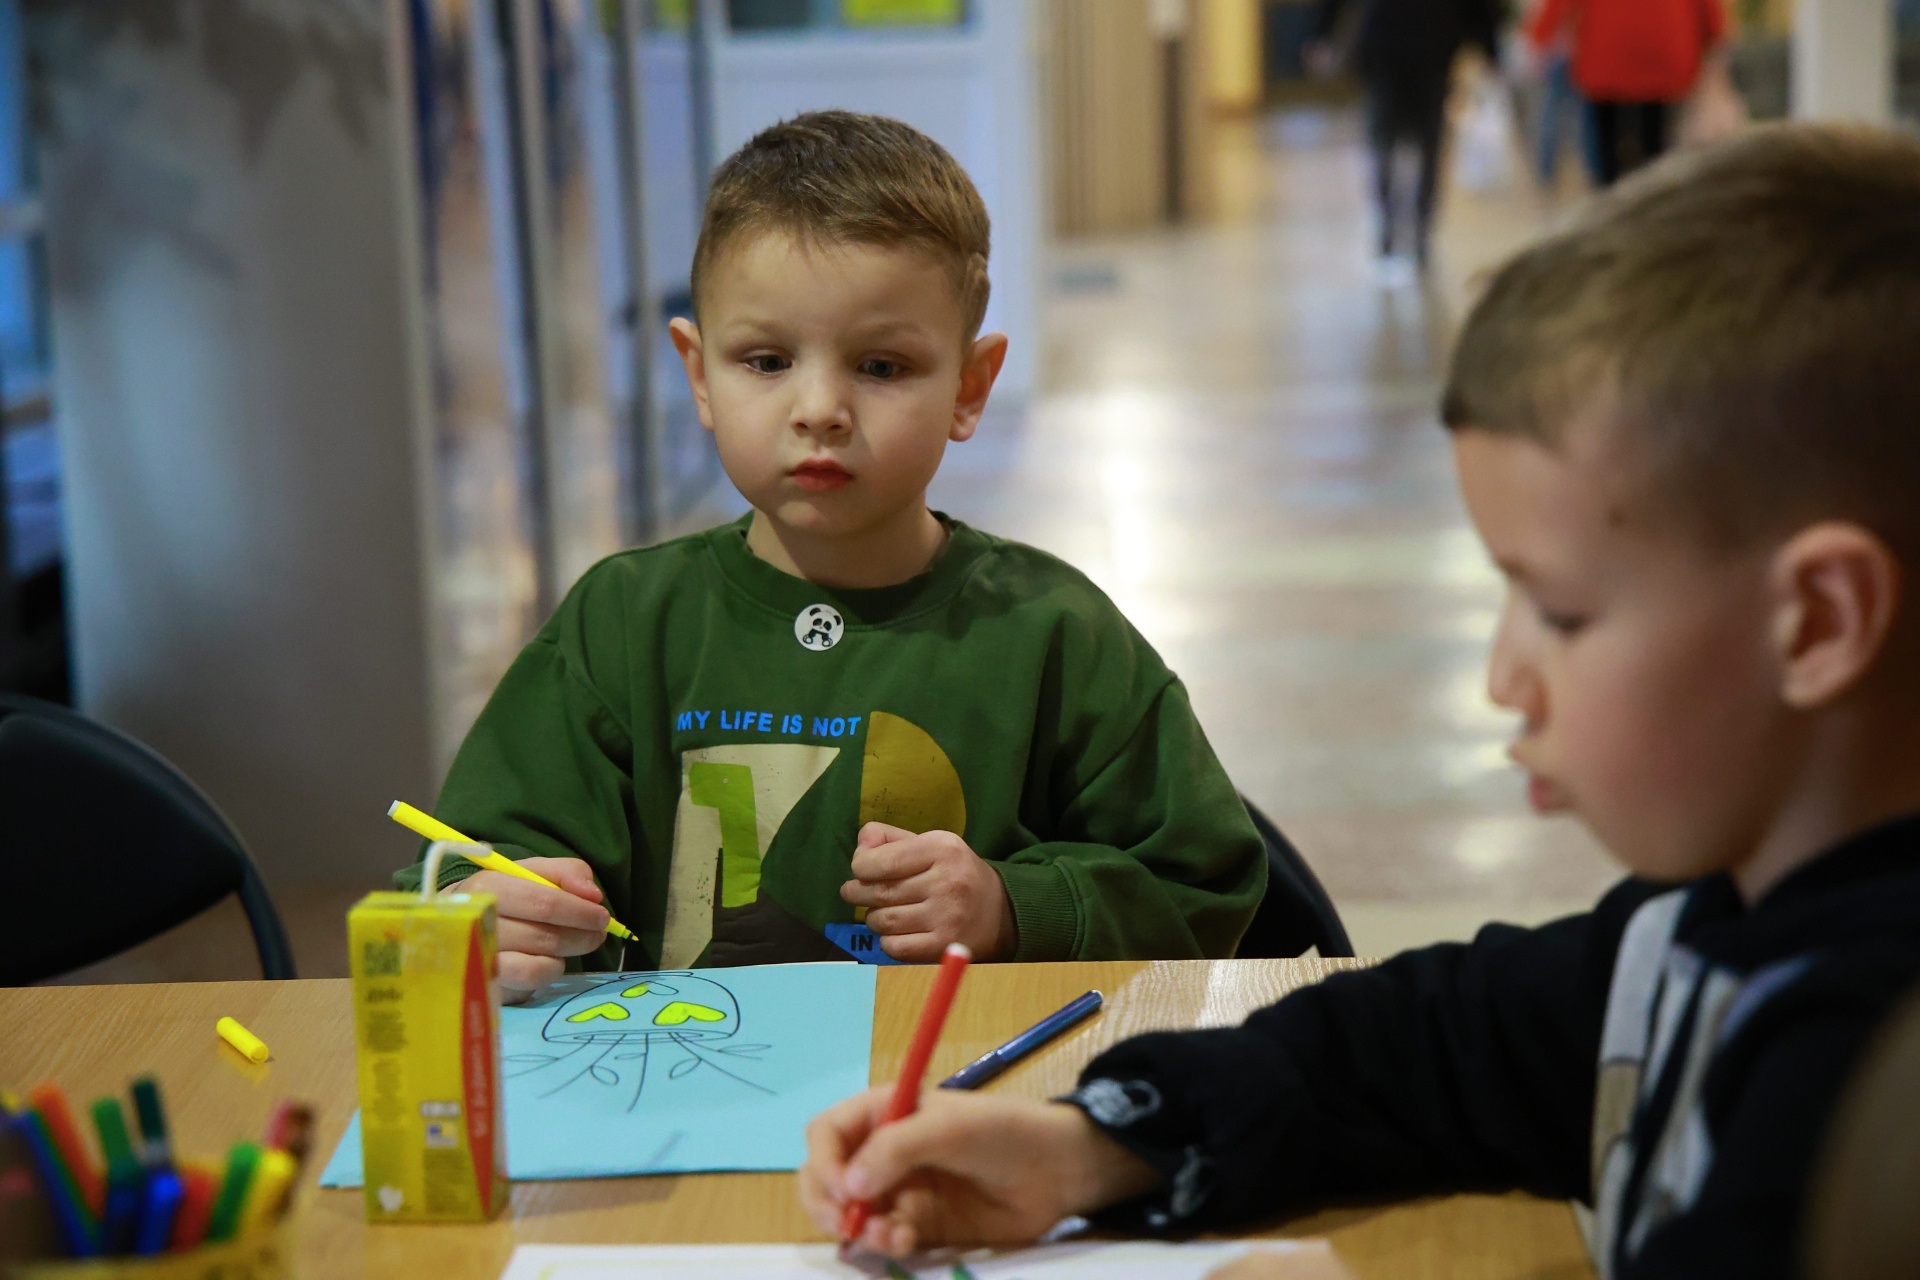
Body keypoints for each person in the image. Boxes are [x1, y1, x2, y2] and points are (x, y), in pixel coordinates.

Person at [798, 124, 1920, 1279]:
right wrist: (1090, 1147)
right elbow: (1433, 1038)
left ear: (1820, 621)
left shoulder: (1869, 1088)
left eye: (1562, 611)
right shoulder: (1705, 921)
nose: (1502, 678)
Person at [396, 111, 1266, 999]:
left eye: (881, 368)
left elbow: (1207, 882)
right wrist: (480, 912)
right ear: (699, 375)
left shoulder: (1054, 631)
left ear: (969, 387)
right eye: (766, 360)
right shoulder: (621, 623)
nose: (820, 409)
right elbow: (463, 866)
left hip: (965, 1074)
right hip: (684, 1079)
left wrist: (1013, 907)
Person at [1307, 0, 1501, 269]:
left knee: (1391, 143)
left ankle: (1398, 224)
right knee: (1420, 145)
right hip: (1422, 45)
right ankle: (1412, 227)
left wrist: (1320, 34)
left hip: (1397, 44)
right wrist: (1489, 48)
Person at [1526, 0, 1726, 184]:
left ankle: (1610, 198)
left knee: (1607, 154)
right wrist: (1714, 34)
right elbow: (1710, 13)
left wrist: (1540, 37)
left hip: (1605, 60)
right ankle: (1654, 197)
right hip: (1663, 60)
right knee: (1656, 149)